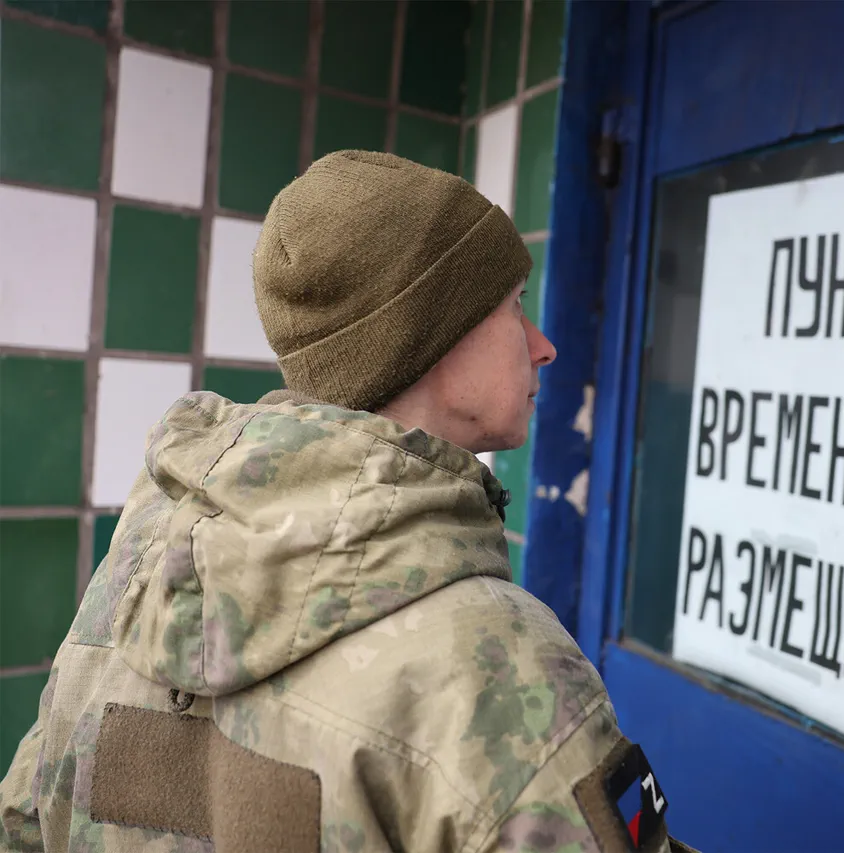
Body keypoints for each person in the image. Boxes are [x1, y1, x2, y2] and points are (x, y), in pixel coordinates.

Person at [0, 150, 694, 853]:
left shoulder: (141, 568)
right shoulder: (495, 661)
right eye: (515, 304)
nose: (542, 346)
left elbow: (25, 821)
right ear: (433, 333)